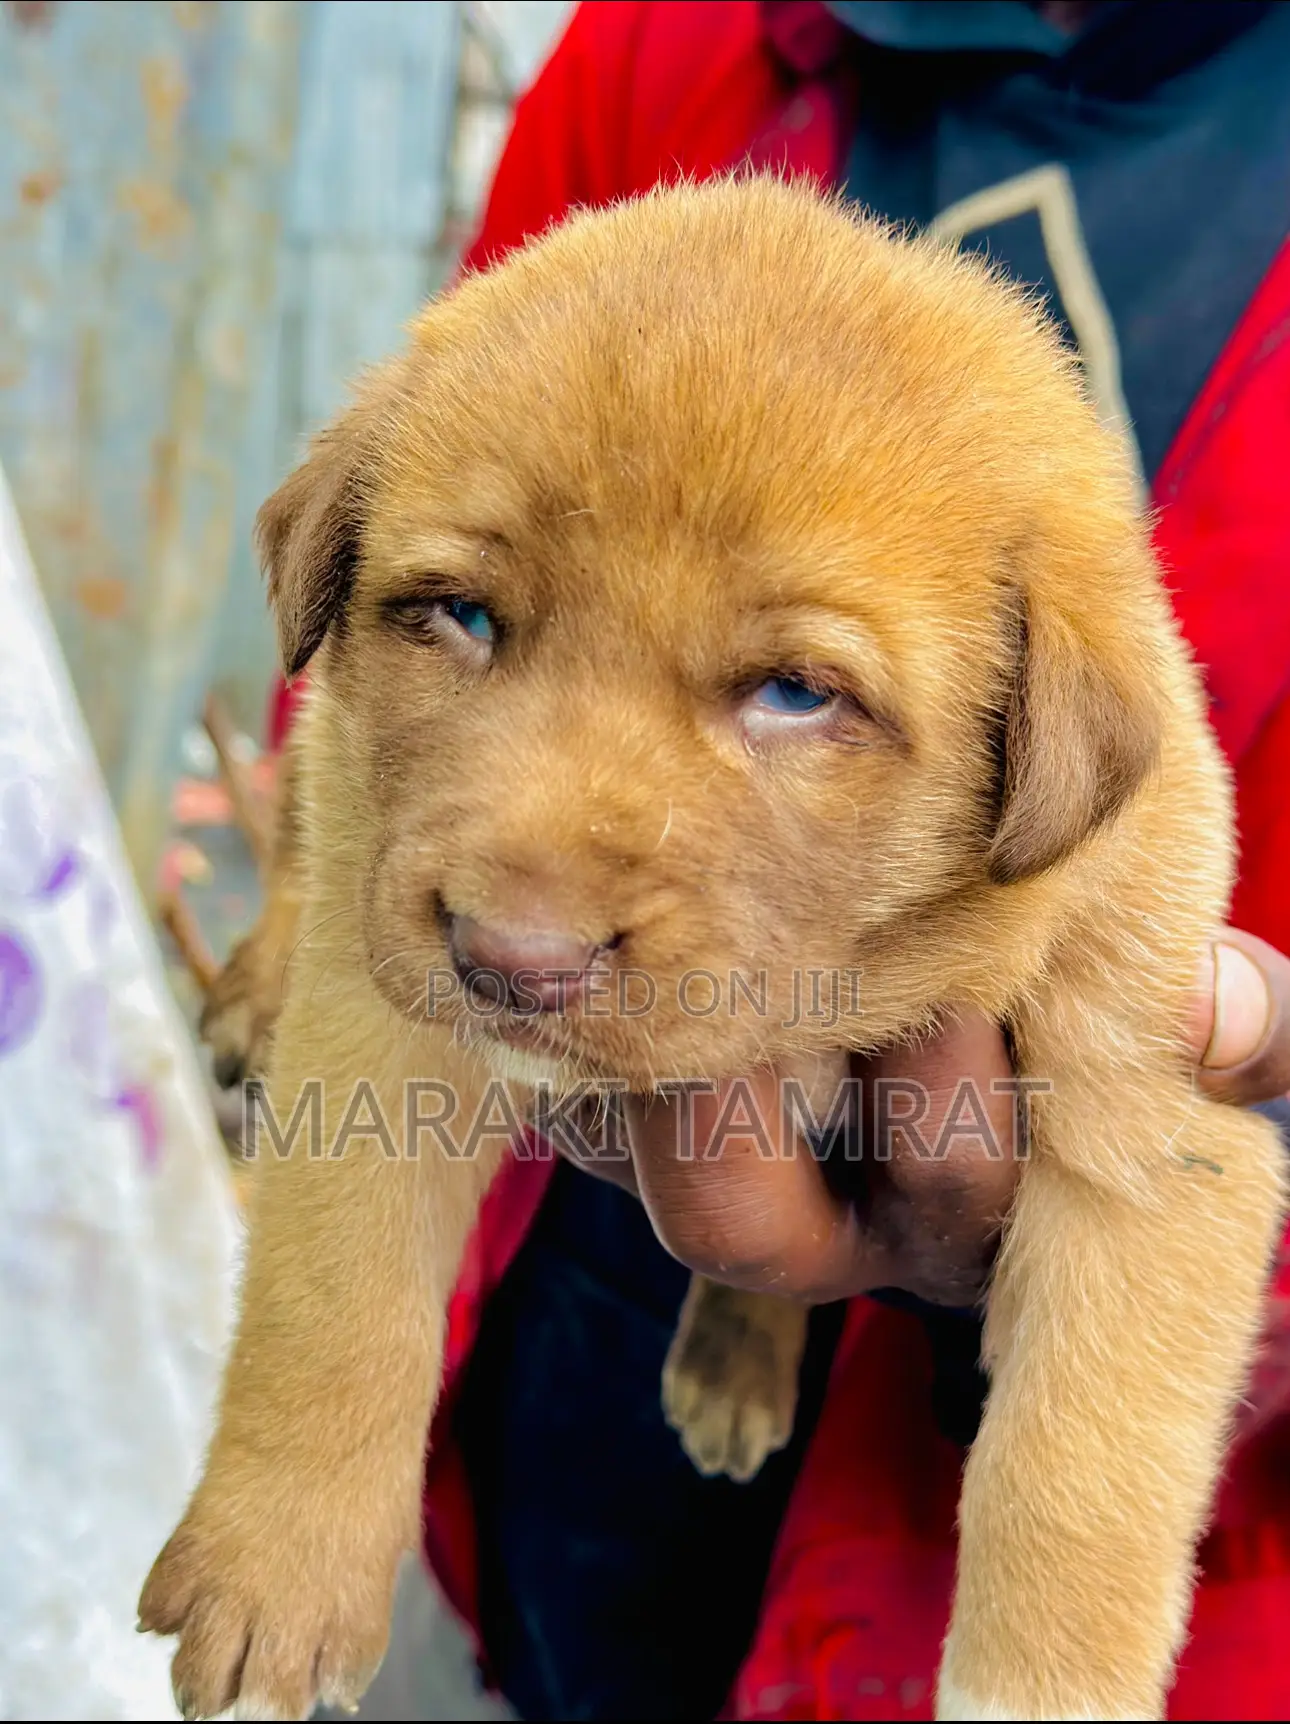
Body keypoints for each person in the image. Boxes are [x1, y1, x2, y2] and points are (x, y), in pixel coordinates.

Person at [263, 5, 1290, 1717]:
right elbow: (446, 557)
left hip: (1072, 1501)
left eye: (797, 685)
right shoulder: (660, 48)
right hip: (572, 1298)